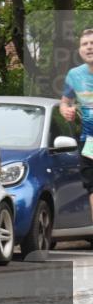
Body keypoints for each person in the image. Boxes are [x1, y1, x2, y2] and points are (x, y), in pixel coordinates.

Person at [59, 28, 93, 214]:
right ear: (80, 50)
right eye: (84, 44)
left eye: (92, 43)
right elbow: (64, 102)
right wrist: (66, 111)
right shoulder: (74, 75)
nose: (89, 47)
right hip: (90, 141)